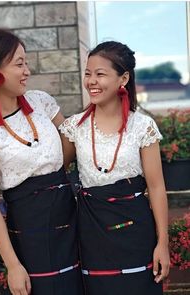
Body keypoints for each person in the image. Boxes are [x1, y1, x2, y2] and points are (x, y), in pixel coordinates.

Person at [0, 28, 83, 295]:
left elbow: (71, 145)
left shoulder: (41, 102)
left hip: (70, 217)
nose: (27, 70)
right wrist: (13, 265)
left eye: (26, 62)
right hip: (29, 231)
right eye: (19, 64)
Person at [59, 41, 170, 295]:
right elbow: (58, 175)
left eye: (100, 74)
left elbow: (156, 186)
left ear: (124, 78)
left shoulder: (143, 127)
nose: (91, 81)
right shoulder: (74, 127)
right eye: (88, 73)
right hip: (91, 233)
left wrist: (162, 243)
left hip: (136, 231)